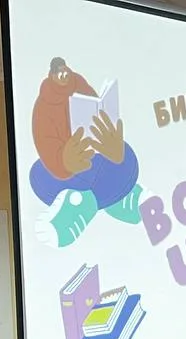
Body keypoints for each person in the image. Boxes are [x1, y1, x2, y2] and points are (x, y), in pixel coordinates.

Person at [30, 57, 143, 247]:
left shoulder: (80, 85)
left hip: (95, 157)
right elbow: (44, 141)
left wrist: (114, 149)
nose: (64, 76)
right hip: (66, 172)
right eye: (59, 73)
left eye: (65, 72)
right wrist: (63, 162)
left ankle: (117, 198)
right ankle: (76, 205)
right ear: (52, 75)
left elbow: (96, 117)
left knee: (124, 158)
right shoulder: (44, 105)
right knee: (41, 175)